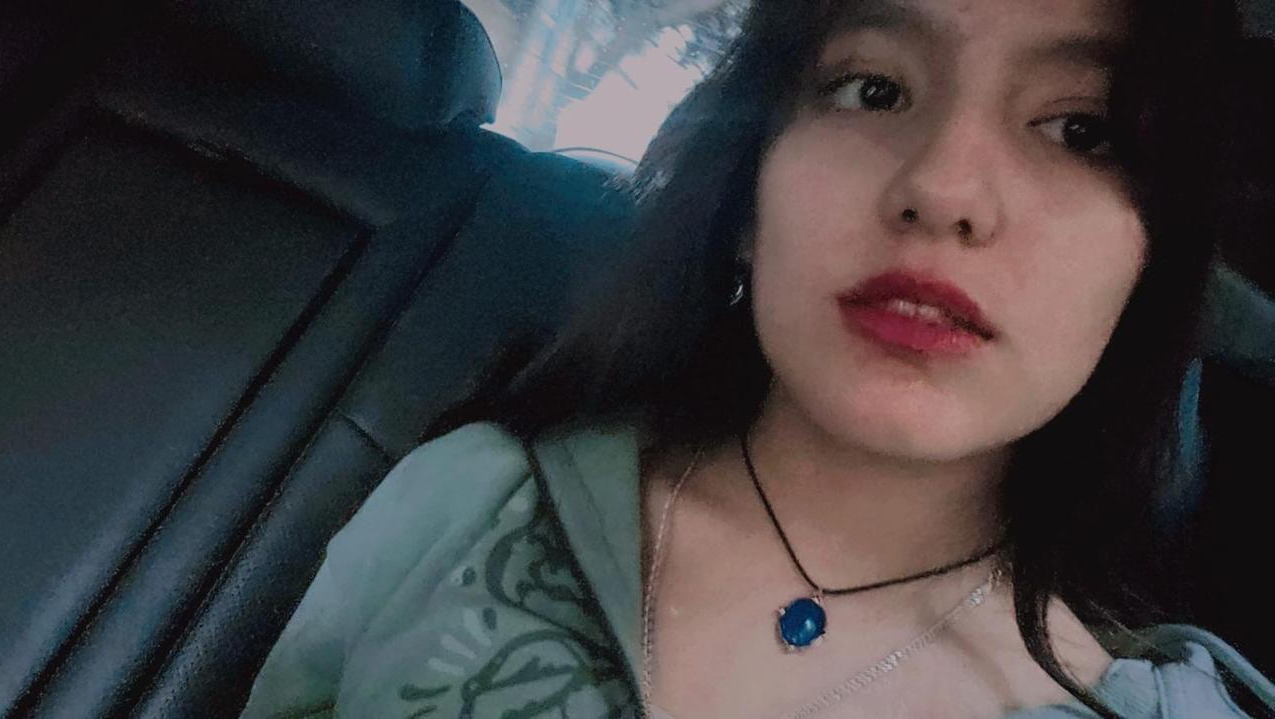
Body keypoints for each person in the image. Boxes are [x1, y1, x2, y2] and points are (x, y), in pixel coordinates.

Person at [240, 0, 1275, 716]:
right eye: (871, 90)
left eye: (1081, 130)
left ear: (1147, 272)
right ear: (746, 197)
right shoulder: (468, 503)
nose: (943, 188)